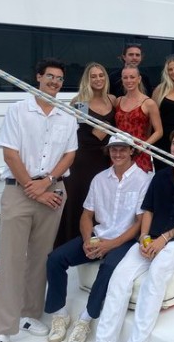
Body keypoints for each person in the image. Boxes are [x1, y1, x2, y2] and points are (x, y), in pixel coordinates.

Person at [95, 128, 174, 342]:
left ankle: (137, 339)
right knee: (119, 277)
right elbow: (147, 209)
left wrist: (164, 239)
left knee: (156, 274)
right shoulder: (160, 176)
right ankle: (104, 339)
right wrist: (144, 237)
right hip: (153, 237)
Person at [0, 58, 78, 342]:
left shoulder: (67, 117)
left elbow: (69, 156)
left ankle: (29, 315)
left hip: (53, 191)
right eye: (50, 76)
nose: (55, 82)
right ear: (38, 77)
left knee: (40, 258)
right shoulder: (18, 110)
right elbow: (10, 154)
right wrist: (36, 189)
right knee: (11, 260)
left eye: (59, 78)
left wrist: (47, 182)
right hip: (20, 191)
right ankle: (3, 328)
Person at [44, 134, 150, 342]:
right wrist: (87, 240)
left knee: (108, 268)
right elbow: (86, 215)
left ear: (131, 151)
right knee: (55, 259)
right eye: (113, 149)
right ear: (108, 152)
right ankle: (60, 314)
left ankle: (85, 319)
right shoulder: (99, 179)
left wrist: (111, 245)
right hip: (98, 235)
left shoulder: (144, 180)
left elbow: (139, 223)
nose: (117, 153)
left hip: (125, 240)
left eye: (122, 149)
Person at [55, 62, 116, 248]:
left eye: (101, 75)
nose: (98, 79)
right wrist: (102, 129)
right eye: (93, 76)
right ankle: (73, 242)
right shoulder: (80, 101)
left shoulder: (112, 100)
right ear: (87, 80)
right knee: (79, 199)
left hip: (106, 158)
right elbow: (79, 129)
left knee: (102, 198)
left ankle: (101, 241)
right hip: (83, 158)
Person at [114, 65, 163, 173]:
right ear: (122, 80)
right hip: (119, 152)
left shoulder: (149, 103)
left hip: (139, 152)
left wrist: (142, 146)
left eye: (132, 77)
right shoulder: (118, 101)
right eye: (125, 77)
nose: (129, 80)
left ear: (139, 79)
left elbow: (159, 131)